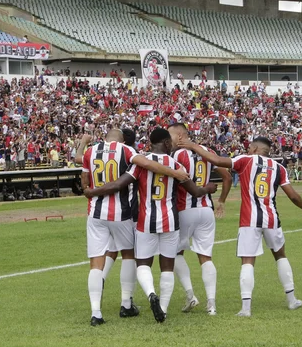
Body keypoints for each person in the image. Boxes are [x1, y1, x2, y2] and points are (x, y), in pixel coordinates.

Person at [84, 128, 216, 324]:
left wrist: (91, 191)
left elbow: (120, 183)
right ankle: (161, 308)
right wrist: (208, 188)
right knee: (167, 266)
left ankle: (147, 294)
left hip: (143, 220)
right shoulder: (176, 165)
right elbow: (195, 191)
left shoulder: (136, 163)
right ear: (167, 144)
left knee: (141, 264)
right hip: (170, 220)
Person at [178, 136, 302, 316]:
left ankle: (246, 308)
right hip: (271, 218)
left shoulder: (246, 160)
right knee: (280, 256)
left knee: (248, 261)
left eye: (250, 148)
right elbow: (293, 196)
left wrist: (194, 146)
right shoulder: (279, 168)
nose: (248, 150)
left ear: (256, 149)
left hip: (249, 219)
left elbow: (217, 160)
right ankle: (292, 300)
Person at [168, 123, 233, 315]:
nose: (168, 140)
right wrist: (221, 200)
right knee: (205, 257)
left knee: (174, 253)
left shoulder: (177, 155)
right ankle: (211, 304)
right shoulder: (207, 150)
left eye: (170, 136)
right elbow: (227, 177)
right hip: (205, 209)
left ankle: (191, 295)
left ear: (180, 136)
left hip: (184, 208)